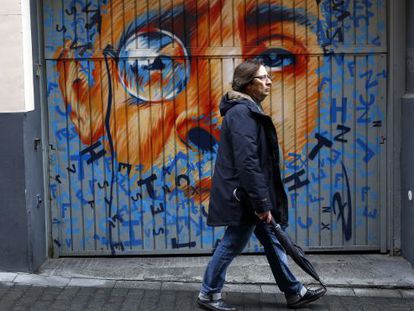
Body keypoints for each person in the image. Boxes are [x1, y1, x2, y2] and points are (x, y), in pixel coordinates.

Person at [197, 59, 326, 311]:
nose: (269, 82)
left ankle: (293, 292)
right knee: (233, 243)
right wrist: (261, 203)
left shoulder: (246, 111)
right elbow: (248, 163)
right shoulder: (242, 114)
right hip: (245, 198)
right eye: (263, 78)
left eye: (269, 77)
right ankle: (208, 294)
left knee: (271, 240)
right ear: (247, 84)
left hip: (248, 196)